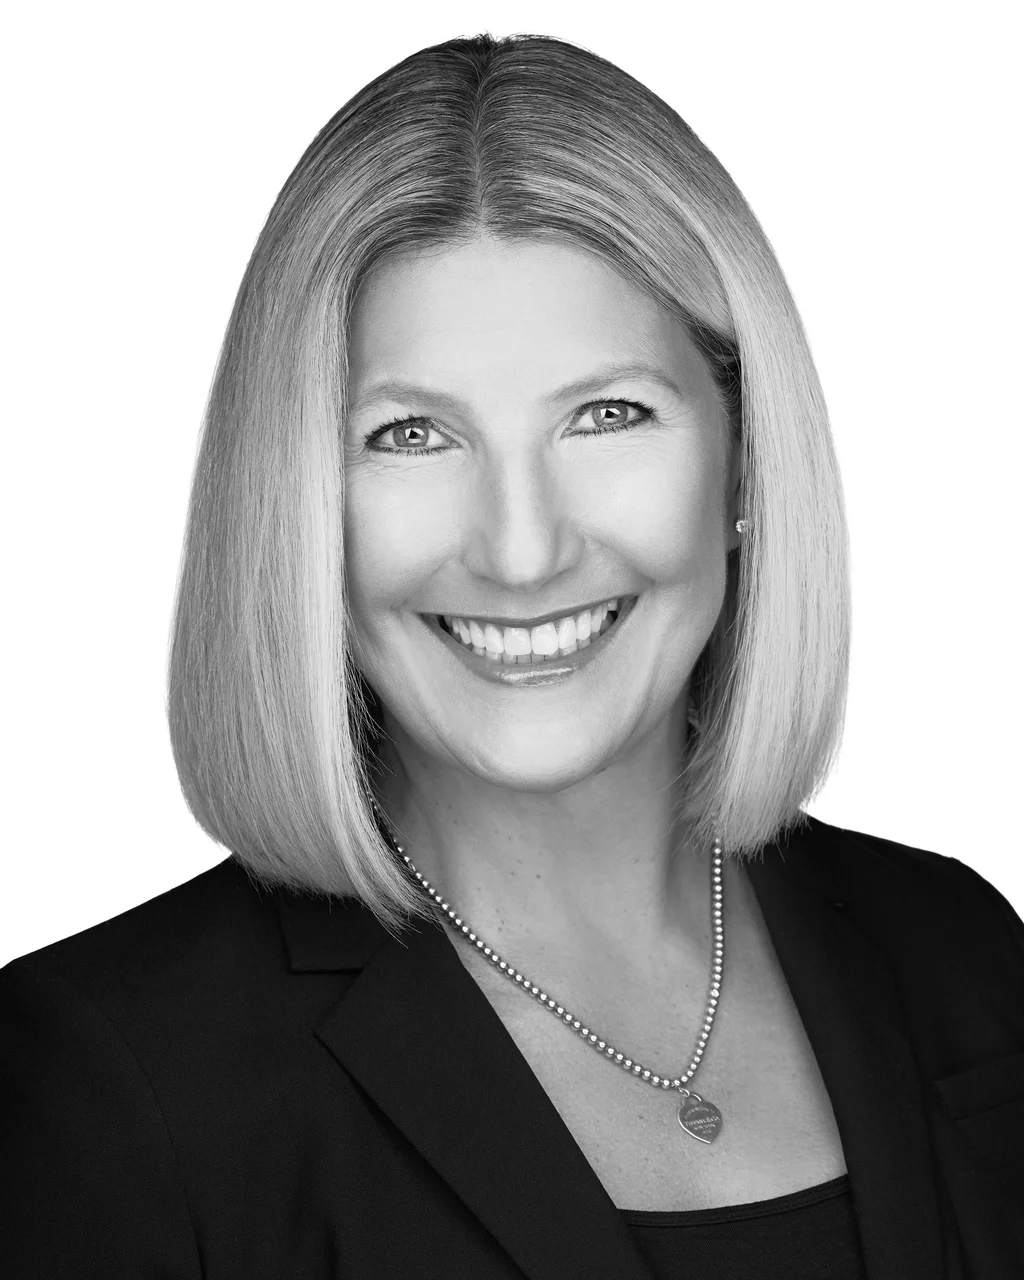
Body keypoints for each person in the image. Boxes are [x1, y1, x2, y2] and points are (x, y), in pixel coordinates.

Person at [1, 30, 1022, 1280]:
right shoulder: (112, 1080)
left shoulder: (961, 951)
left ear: (744, 456)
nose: (523, 549)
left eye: (607, 414)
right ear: (294, 502)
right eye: (412, 433)